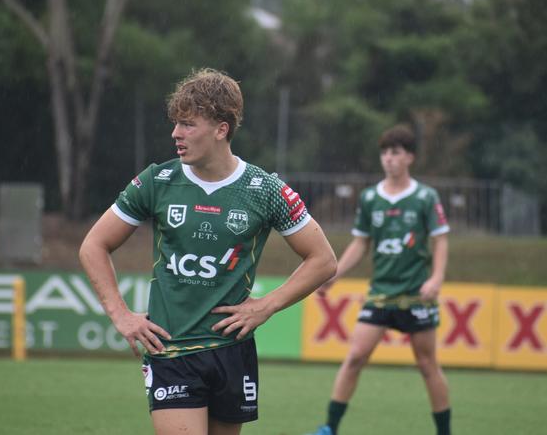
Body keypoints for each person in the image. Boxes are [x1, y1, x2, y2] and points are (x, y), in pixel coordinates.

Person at [79, 68, 337, 435]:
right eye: (175, 123)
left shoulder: (264, 189)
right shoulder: (157, 181)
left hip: (232, 350)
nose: (175, 134)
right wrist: (120, 315)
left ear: (221, 129)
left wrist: (267, 305)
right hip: (171, 350)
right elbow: (93, 245)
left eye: (187, 124)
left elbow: (324, 260)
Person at [306, 124, 451, 435]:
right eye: (385, 153)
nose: (389, 159)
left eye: (396, 153)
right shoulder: (371, 197)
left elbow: (440, 240)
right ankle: (329, 427)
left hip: (415, 294)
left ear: (409, 157)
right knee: (356, 357)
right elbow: (361, 243)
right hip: (381, 293)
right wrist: (334, 274)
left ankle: (445, 432)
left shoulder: (426, 197)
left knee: (427, 365)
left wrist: (437, 278)